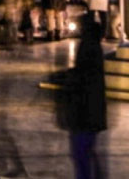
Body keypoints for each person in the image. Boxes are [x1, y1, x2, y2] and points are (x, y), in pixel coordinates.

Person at [49, 14, 109, 178]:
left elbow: (83, 76)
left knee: (81, 153)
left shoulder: (88, 46)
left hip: (84, 112)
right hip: (92, 112)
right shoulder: (93, 45)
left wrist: (63, 77)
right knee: (87, 152)